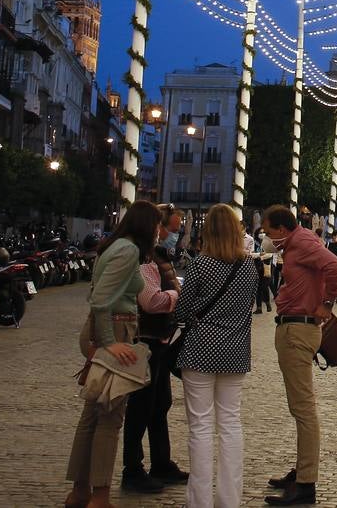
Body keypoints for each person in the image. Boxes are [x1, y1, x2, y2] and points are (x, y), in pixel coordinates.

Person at [65, 200, 160, 508]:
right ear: (148, 226)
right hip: (116, 328)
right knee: (110, 417)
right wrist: (109, 342)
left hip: (104, 327)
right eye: (157, 225)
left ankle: (80, 492)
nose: (160, 232)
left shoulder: (114, 245)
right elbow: (102, 299)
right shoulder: (129, 251)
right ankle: (100, 496)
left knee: (91, 415)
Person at [174, 204, 257, 508]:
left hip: (199, 350)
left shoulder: (199, 264)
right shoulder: (249, 266)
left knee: (200, 426)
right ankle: (229, 500)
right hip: (234, 352)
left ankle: (199, 502)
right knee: (231, 424)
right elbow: (249, 306)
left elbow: (182, 311)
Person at [263, 205, 337, 506]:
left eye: (269, 230)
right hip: (293, 326)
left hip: (299, 329)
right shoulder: (297, 243)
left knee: (304, 408)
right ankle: (301, 472)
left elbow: (335, 266)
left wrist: (327, 302)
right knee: (300, 407)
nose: (267, 236)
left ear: (282, 229)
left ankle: (306, 482)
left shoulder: (303, 242)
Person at [121, 205, 187, 494]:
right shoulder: (140, 257)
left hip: (159, 338)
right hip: (145, 338)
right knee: (142, 405)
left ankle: (161, 461)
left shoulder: (154, 255)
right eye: (170, 229)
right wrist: (176, 294)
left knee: (160, 403)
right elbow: (150, 301)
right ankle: (133, 468)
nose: (172, 235)